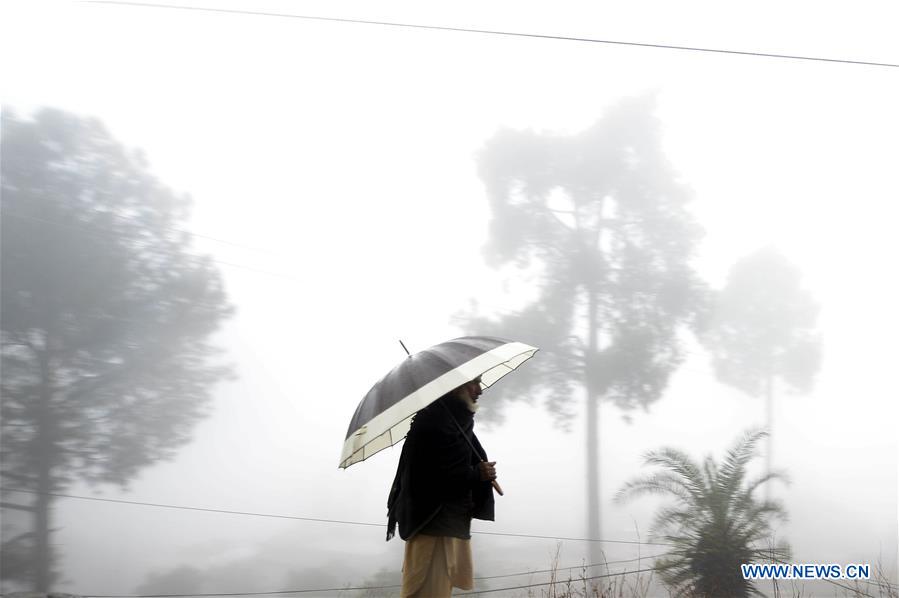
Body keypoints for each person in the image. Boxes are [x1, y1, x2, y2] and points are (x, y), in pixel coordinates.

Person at [386, 375, 497, 597]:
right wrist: (478, 473)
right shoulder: (434, 423)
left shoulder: (455, 419)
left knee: (441, 589)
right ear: (456, 387)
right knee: (428, 590)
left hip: (451, 521)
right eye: (474, 383)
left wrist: (480, 471)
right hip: (432, 523)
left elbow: (459, 464)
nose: (479, 390)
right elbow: (435, 478)